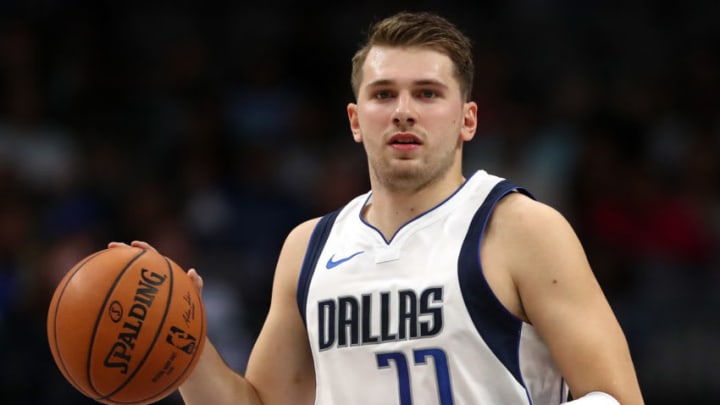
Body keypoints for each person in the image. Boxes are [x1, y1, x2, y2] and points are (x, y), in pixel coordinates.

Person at [112, 11, 644, 405]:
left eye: (428, 94)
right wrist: (185, 347)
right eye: (384, 94)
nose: (404, 112)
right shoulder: (308, 249)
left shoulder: (520, 228)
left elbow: (616, 398)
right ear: (354, 118)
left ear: (468, 119)